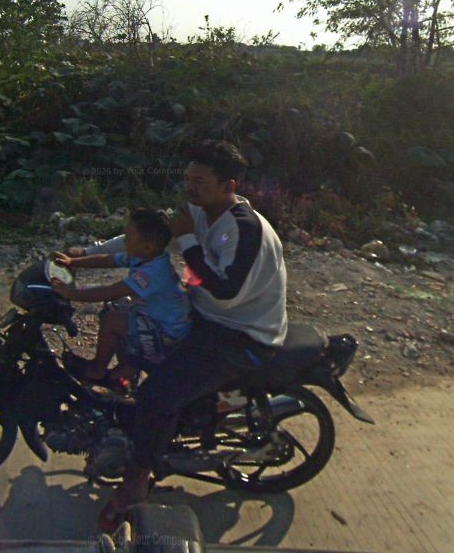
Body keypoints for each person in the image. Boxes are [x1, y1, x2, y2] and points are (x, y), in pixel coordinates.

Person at [73, 140, 287, 531]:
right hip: (204, 317)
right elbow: (146, 241)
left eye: (200, 182)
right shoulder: (198, 212)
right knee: (126, 322)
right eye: (188, 179)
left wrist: (187, 239)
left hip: (239, 335)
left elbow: (226, 292)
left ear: (228, 186)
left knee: (157, 395)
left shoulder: (243, 229)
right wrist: (83, 254)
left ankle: (136, 482)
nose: (190, 188)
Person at [50, 207, 191, 383]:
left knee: (112, 321)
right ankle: (128, 365)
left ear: (147, 246)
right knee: (116, 307)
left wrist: (70, 293)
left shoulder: (153, 272)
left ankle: (97, 370)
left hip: (167, 336)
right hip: (155, 320)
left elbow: (110, 291)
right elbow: (108, 259)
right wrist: (73, 262)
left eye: (128, 238)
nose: (124, 242)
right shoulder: (144, 256)